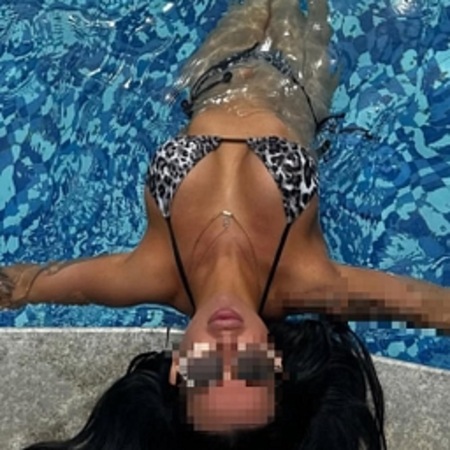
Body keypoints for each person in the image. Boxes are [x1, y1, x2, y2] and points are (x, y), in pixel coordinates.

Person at [0, 0, 449, 448]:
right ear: (275, 363)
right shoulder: (305, 280)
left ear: (178, 368)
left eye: (207, 371)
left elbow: (23, 286)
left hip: (212, 78)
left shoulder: (152, 272)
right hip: (299, 84)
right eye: (249, 370)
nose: (226, 343)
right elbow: (431, 306)